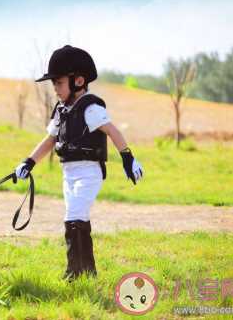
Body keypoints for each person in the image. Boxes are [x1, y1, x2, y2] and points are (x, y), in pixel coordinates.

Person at [14, 45, 144, 280]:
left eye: (59, 83)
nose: (55, 89)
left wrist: (128, 158)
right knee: (78, 217)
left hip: (88, 172)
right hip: (68, 173)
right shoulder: (62, 110)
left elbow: (112, 131)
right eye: (53, 84)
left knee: (73, 216)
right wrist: (29, 162)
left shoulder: (90, 108)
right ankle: (87, 272)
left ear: (79, 80)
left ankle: (73, 273)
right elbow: (50, 139)